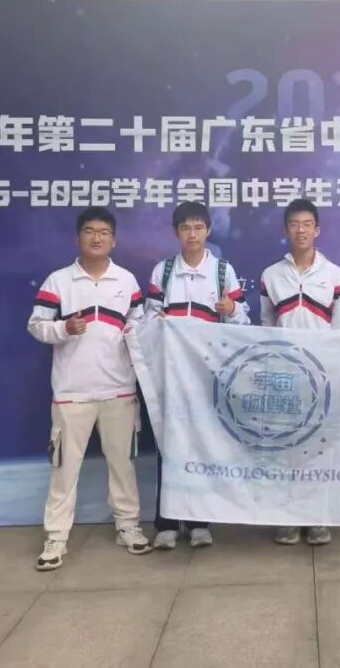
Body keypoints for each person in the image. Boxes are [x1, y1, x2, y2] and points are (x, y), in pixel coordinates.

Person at [27, 207, 150, 571]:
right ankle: (56, 537)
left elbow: (140, 325)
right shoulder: (58, 281)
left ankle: (128, 526)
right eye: (90, 231)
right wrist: (63, 328)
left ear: (114, 239)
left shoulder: (126, 281)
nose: (97, 238)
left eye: (104, 232)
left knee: (122, 465)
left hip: (119, 390)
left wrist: (134, 334)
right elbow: (36, 325)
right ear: (78, 237)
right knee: (64, 470)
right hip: (72, 393)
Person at [145, 201, 250, 549]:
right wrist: (159, 322)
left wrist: (231, 308)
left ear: (208, 230)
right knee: (169, 444)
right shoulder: (163, 271)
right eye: (186, 228)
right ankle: (166, 523)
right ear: (177, 233)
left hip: (207, 374)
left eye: (198, 227)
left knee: (203, 444)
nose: (192, 234)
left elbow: (243, 321)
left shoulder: (222, 272)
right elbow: (148, 319)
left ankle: (199, 522)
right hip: (172, 372)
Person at [259, 198, 340, 546]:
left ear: (317, 230)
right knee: (285, 450)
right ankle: (287, 518)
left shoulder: (335, 276)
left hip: (322, 376)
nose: (301, 230)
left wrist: (332, 371)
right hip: (284, 376)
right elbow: (266, 327)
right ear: (286, 230)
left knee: (318, 449)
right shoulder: (271, 276)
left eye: (307, 224)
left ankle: (316, 518)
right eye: (294, 224)